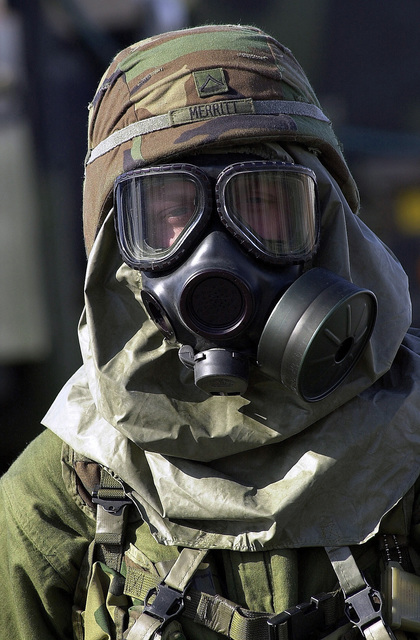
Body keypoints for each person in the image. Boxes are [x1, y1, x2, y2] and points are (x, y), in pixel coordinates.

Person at [1, 23, 420, 640]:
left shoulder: (410, 444)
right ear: (118, 256)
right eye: (169, 214)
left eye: (263, 206)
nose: (215, 255)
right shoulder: (65, 493)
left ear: (326, 227)